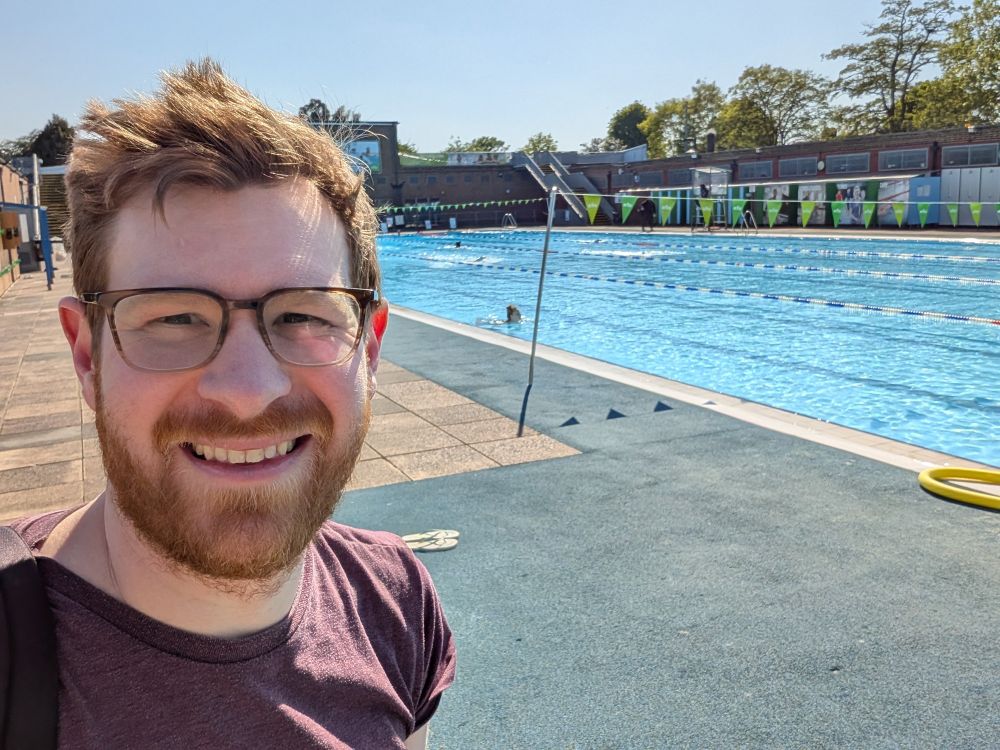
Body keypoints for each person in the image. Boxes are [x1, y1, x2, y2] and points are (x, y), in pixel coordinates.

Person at [5, 60, 454, 749]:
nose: (249, 390)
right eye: (174, 318)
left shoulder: (395, 603)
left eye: (304, 315)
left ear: (367, 348)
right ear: (86, 355)